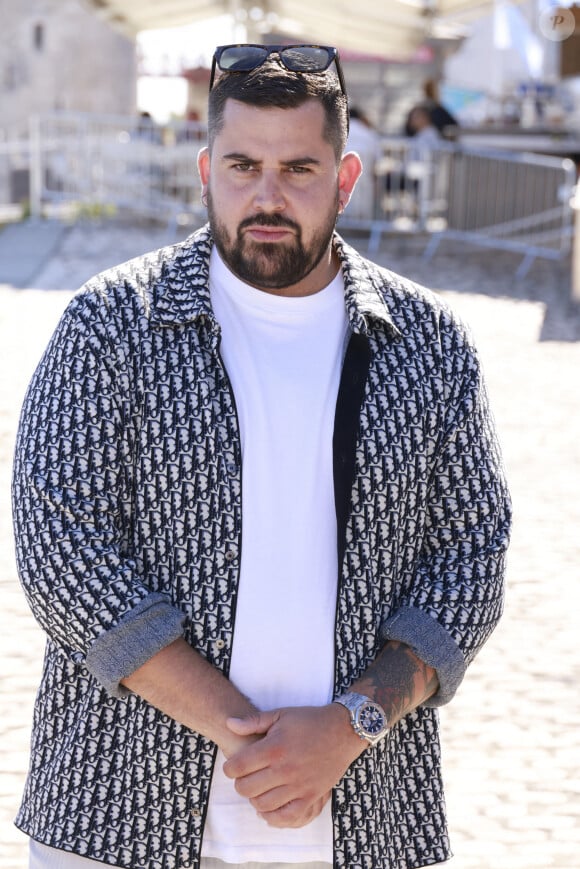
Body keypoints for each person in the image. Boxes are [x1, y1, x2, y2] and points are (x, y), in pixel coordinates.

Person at [12, 43, 511, 869]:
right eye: (243, 165)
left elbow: (471, 561)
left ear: (346, 179)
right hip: (116, 821)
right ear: (206, 168)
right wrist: (253, 735)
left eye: (299, 169)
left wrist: (349, 725)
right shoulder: (108, 326)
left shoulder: (429, 346)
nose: (267, 196)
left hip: (357, 821)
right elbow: (63, 554)